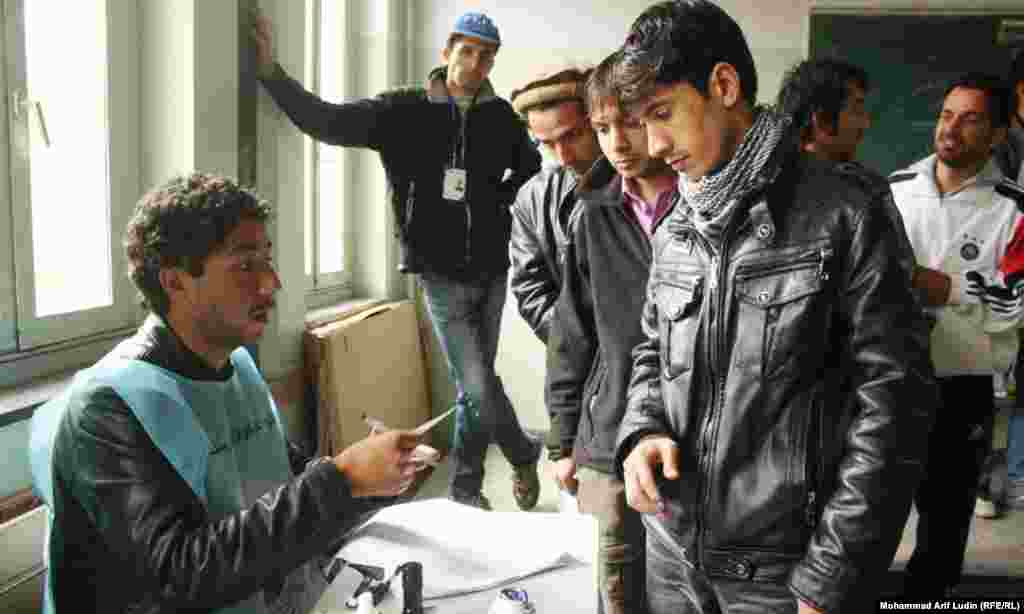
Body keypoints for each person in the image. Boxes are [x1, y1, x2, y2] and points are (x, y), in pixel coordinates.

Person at [610, 2, 937, 612]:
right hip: (673, 556)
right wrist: (642, 431)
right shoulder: (678, 223)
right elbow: (653, 353)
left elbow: (895, 404)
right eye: (640, 121)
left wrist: (835, 572)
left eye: (662, 114)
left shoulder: (847, 211)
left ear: (725, 85)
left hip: (784, 575)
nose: (654, 146)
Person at [27, 173, 425, 613]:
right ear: (175, 281)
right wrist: (342, 481)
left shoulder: (234, 366)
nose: (271, 283)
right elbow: (178, 574)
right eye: (245, 266)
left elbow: (281, 476)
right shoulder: (107, 409)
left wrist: (371, 480)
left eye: (268, 262)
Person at [253, 11, 543, 511]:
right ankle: (493, 472)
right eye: (468, 50)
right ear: (447, 51)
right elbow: (329, 120)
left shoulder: (502, 119)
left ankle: (493, 470)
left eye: (488, 54)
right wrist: (270, 74)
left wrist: (499, 202)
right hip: (440, 272)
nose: (477, 63)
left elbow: (532, 167)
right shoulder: (403, 111)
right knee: (476, 385)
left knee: (477, 384)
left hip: (494, 270)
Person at [545, 50, 676, 614]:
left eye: (630, 123)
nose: (617, 143)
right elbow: (573, 332)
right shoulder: (591, 213)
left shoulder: (705, 206)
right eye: (602, 128)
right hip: (605, 434)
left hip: (691, 433)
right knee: (614, 587)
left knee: (679, 588)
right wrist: (561, 438)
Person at [889, 73, 1023, 596]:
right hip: (890, 379)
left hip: (963, 386)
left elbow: (1016, 302)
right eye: (947, 114)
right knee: (872, 516)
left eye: (970, 119)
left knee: (943, 529)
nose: (952, 128)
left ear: (995, 135)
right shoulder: (895, 190)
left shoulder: (1014, 207)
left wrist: (949, 290)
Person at [508, 66, 601, 464]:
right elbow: (530, 291)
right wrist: (576, 338)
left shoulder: (644, 180)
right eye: (547, 144)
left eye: (572, 136)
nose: (563, 156)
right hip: (575, 375)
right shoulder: (532, 198)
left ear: (594, 120)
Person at [775, 58, 872, 164]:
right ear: (824, 120)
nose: (866, 124)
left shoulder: (772, 174)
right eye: (857, 111)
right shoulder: (847, 179)